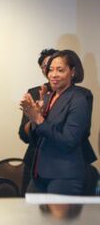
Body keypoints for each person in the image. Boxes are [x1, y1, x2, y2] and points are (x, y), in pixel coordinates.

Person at [20, 49, 96, 195]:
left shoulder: (78, 98)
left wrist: (39, 119)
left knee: (58, 219)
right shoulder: (47, 98)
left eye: (60, 70)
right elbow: (35, 139)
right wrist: (32, 117)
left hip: (64, 176)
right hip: (39, 174)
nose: (53, 75)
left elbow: (69, 141)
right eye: (50, 70)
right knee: (31, 217)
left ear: (72, 72)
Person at [18, 48, 57, 193]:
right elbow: (23, 134)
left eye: (54, 65)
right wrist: (34, 117)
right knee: (29, 211)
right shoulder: (34, 93)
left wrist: (41, 118)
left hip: (63, 163)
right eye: (45, 67)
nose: (50, 70)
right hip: (35, 159)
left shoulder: (77, 95)